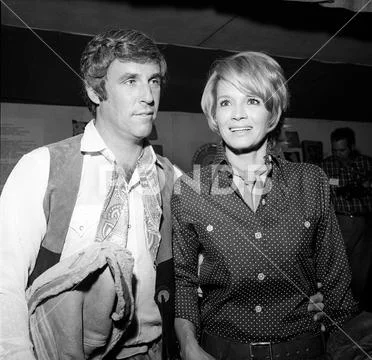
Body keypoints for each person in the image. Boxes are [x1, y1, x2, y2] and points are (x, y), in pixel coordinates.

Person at [0, 28, 181, 360]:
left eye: (153, 81)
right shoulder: (42, 168)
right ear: (95, 91)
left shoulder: (173, 178)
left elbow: (206, 271)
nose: (148, 96)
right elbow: (4, 281)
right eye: (130, 81)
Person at [171, 51, 359, 360]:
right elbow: (184, 282)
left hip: (304, 350)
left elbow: (337, 285)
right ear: (214, 116)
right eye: (226, 102)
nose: (238, 114)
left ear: (272, 114)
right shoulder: (190, 190)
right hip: (220, 351)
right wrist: (189, 347)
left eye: (253, 101)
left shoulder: (310, 182)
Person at [321, 127, 372, 307]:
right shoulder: (327, 165)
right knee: (339, 264)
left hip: (364, 220)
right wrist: (349, 184)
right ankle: (336, 302)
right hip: (342, 220)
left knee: (361, 267)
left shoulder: (366, 163)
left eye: (342, 150)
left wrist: (364, 186)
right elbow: (327, 185)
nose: (338, 154)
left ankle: (355, 303)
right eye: (335, 150)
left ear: (351, 146)